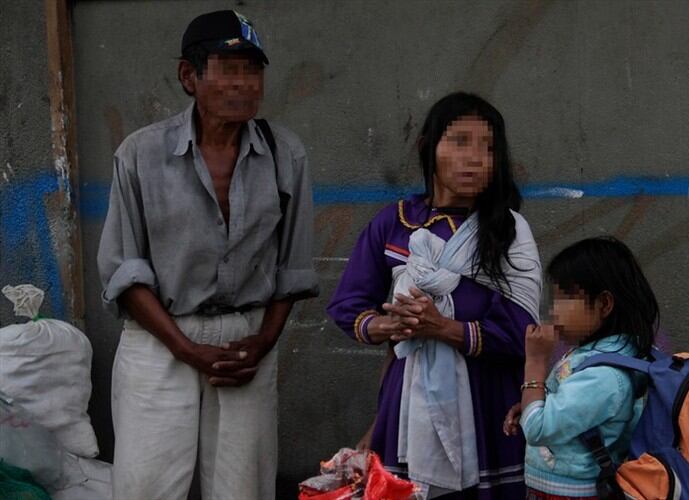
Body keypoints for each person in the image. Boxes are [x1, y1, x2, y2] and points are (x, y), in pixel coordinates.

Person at [97, 10, 318, 500]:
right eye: (227, 68)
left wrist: (262, 343)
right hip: (159, 342)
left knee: (243, 489)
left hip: (246, 342)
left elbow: (293, 267)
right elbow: (125, 270)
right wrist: (184, 347)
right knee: (146, 487)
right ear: (188, 76)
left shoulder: (286, 154)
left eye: (253, 71)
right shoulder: (140, 154)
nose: (243, 84)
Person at [327, 92, 542, 499]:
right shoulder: (393, 224)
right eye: (460, 142)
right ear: (429, 148)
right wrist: (387, 325)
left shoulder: (509, 232)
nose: (476, 158)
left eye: (488, 147)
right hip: (406, 401)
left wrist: (443, 327)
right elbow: (347, 305)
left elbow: (521, 332)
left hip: (488, 406)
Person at [503, 236, 658, 499]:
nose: (553, 312)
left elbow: (537, 429)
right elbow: (570, 410)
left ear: (604, 304)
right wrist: (537, 402)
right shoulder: (598, 357)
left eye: (564, 299)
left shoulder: (605, 376)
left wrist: (535, 363)